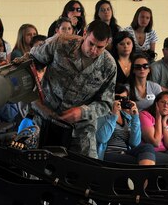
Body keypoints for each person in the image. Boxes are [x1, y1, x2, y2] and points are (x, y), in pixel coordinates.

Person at [29, 20, 117, 158]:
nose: (93, 50)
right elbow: (31, 60)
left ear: (107, 43)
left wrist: (82, 112)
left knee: (85, 171)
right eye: (91, 44)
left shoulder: (109, 66)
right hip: (47, 116)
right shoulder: (61, 43)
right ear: (84, 34)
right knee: (38, 169)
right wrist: (34, 90)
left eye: (100, 47)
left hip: (81, 127)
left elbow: (106, 103)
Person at [95, 85, 159, 205]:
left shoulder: (127, 117)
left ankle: (140, 197)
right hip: (108, 154)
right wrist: (113, 115)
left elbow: (135, 143)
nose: (121, 101)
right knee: (138, 165)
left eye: (124, 98)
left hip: (126, 153)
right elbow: (102, 138)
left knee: (147, 147)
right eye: (117, 98)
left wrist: (135, 118)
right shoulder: (103, 114)